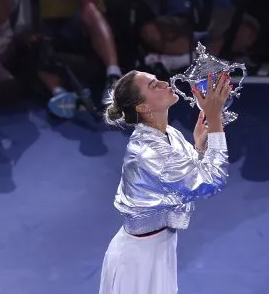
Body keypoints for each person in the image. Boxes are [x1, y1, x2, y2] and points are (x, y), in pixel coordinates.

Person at [99, 69, 232, 294]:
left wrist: (199, 148)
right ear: (142, 107)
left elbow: (187, 179)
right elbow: (211, 180)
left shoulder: (168, 133)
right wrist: (216, 118)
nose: (163, 82)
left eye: (157, 79)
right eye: (153, 85)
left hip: (159, 248)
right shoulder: (148, 151)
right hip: (136, 260)